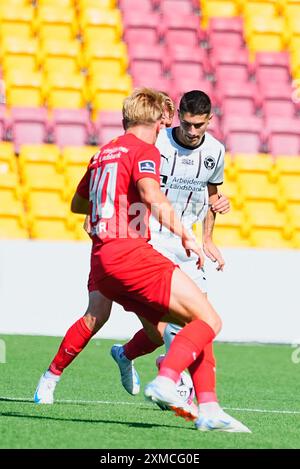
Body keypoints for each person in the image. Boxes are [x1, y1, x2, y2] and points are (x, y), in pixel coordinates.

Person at [34, 90, 250, 432]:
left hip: (104, 259)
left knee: (174, 326)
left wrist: (111, 207)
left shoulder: (103, 152)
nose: (168, 127)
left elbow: (78, 205)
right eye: (164, 121)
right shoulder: (146, 148)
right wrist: (184, 233)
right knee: (206, 319)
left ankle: (207, 407)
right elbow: (152, 195)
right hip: (133, 251)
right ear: (154, 121)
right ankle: (169, 380)